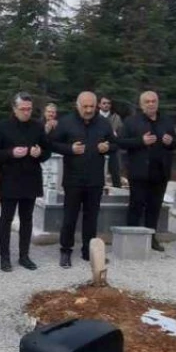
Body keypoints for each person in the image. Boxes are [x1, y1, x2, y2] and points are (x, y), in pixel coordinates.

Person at [50, 92, 115, 268]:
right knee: (69, 216)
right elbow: (52, 143)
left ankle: (88, 250)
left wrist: (107, 147)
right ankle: (65, 250)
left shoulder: (103, 123)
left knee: (91, 216)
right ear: (77, 105)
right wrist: (69, 149)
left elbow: (115, 144)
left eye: (92, 106)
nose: (88, 110)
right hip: (73, 178)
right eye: (85, 106)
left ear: (96, 106)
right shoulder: (66, 122)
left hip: (95, 179)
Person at [0, 92, 50, 272]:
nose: (26, 112)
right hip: (9, 178)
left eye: (29, 109)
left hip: (31, 178)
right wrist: (10, 153)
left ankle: (24, 255)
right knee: (6, 219)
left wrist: (40, 153)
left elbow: (47, 150)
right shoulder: (2, 126)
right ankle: (4, 257)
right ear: (14, 109)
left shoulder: (37, 126)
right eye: (23, 109)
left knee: (27, 219)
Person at [117, 90, 176, 251]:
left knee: (154, 207)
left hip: (160, 171)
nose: (151, 104)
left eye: (153, 101)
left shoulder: (167, 121)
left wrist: (171, 141)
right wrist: (141, 141)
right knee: (136, 205)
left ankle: (151, 238)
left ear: (157, 103)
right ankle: (131, 238)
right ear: (141, 105)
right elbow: (121, 142)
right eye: (147, 101)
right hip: (139, 171)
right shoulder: (131, 122)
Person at [98, 95, 124, 187]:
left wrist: (116, 135)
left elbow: (121, 134)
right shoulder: (94, 117)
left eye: (108, 103)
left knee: (115, 172)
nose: (106, 105)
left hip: (112, 148)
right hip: (97, 148)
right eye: (104, 103)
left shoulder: (116, 118)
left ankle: (117, 189)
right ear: (99, 105)